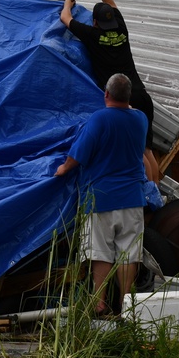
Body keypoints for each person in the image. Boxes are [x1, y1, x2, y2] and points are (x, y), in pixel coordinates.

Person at [54, 73, 148, 316]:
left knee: (100, 252)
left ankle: (99, 304)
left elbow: (80, 152)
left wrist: (63, 168)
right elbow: (131, 110)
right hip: (132, 199)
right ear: (129, 97)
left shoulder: (99, 119)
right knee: (128, 254)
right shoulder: (141, 120)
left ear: (106, 94)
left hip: (101, 197)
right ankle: (126, 306)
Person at [60, 0, 159, 182]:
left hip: (124, 101)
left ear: (94, 22)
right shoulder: (122, 27)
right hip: (141, 95)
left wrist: (68, 4)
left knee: (138, 153)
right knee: (148, 151)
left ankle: (149, 197)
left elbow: (65, 19)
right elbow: (109, 0)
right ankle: (157, 197)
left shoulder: (93, 35)